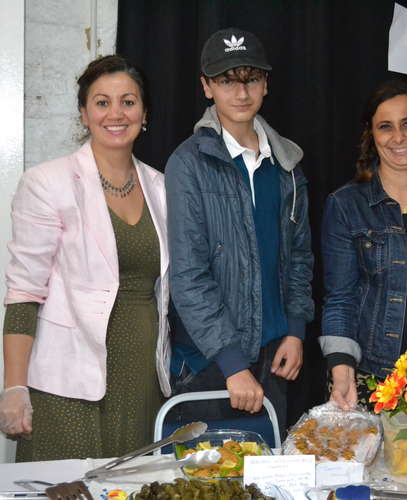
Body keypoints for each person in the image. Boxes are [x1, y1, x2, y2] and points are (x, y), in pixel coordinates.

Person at [0, 55, 170, 461]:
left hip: (142, 378)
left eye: (128, 102)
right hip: (66, 383)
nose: (116, 114)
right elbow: (24, 292)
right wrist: (15, 386)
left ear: (144, 114)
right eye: (101, 102)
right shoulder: (47, 183)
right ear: (83, 113)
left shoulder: (162, 187)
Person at [165, 28, 313, 435]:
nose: (241, 91)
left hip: (275, 357)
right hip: (209, 364)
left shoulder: (287, 165)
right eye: (227, 80)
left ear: (265, 84)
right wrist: (232, 364)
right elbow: (188, 275)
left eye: (250, 78)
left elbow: (299, 260)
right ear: (207, 87)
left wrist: (295, 331)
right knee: (202, 485)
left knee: (268, 485)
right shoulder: (188, 164)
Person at [320, 79, 407, 409]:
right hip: (380, 379)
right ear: (371, 134)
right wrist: (342, 371)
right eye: (386, 127)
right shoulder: (346, 205)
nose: (399, 138)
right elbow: (340, 298)